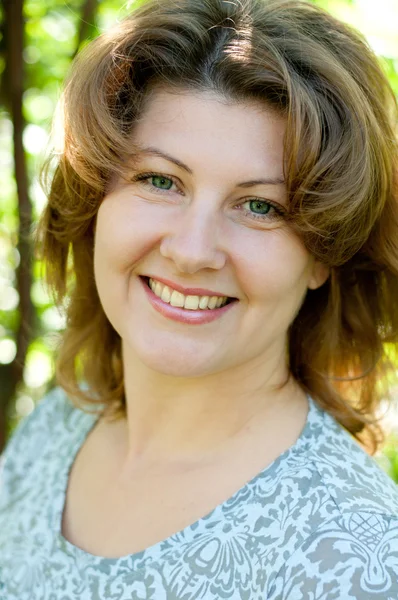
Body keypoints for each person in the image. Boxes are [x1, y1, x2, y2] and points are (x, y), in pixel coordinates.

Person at [1, 0, 398, 597]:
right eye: (160, 180)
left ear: (322, 253)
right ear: (94, 202)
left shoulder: (350, 557)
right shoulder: (57, 427)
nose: (192, 251)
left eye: (260, 205)